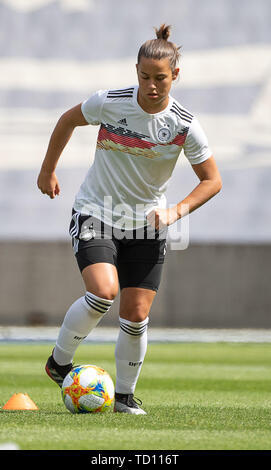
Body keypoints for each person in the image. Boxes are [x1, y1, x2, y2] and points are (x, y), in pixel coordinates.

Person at [37, 24, 222, 415]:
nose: (151, 86)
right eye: (144, 77)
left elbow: (212, 180)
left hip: (146, 225)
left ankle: (124, 397)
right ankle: (59, 361)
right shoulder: (110, 102)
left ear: (176, 76)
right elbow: (67, 121)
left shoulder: (185, 124)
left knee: (136, 316)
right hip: (96, 212)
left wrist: (175, 211)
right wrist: (48, 170)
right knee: (103, 292)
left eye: (161, 79)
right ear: (135, 71)